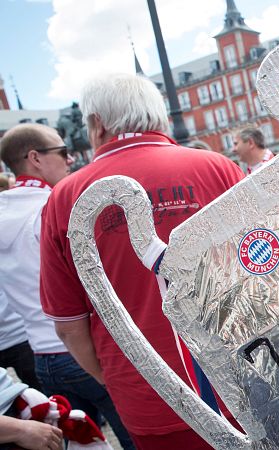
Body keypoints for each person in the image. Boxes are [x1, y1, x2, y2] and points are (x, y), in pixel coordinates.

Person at [38, 73, 244, 449]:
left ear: (97, 124)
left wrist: (122, 374)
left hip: (148, 395)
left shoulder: (64, 197)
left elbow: (68, 325)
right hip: (245, 377)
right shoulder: (218, 167)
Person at [0, 123, 134, 449]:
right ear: (35, 158)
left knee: (76, 443)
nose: (70, 159)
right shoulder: (52, 206)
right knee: (136, 438)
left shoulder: (7, 208)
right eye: (62, 152)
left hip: (40, 353)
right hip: (81, 348)